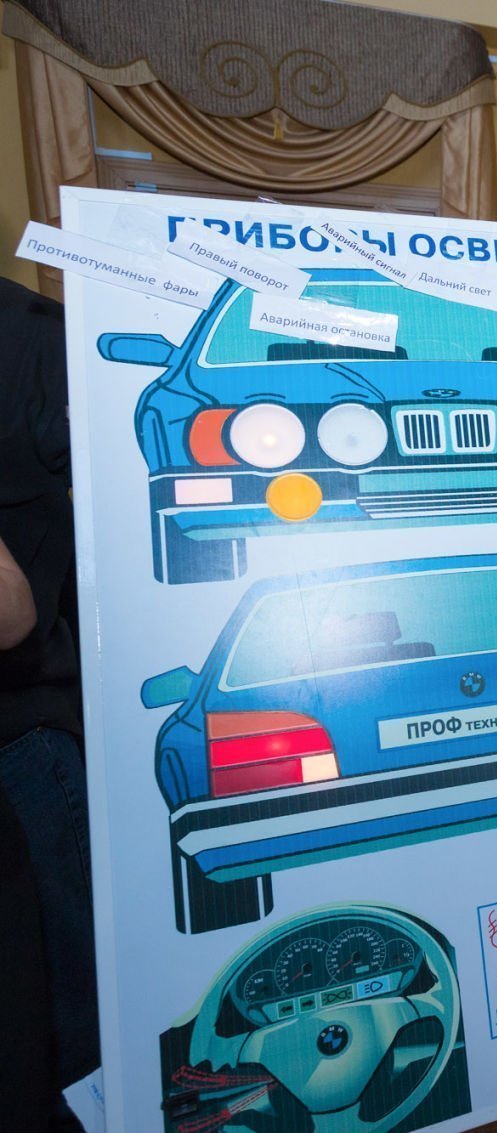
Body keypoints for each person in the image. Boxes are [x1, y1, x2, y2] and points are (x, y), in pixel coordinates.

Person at [0, 277, 98, 1127]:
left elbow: (11, 611)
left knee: (76, 1019)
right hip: (31, 731)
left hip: (25, 727)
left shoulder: (32, 333)